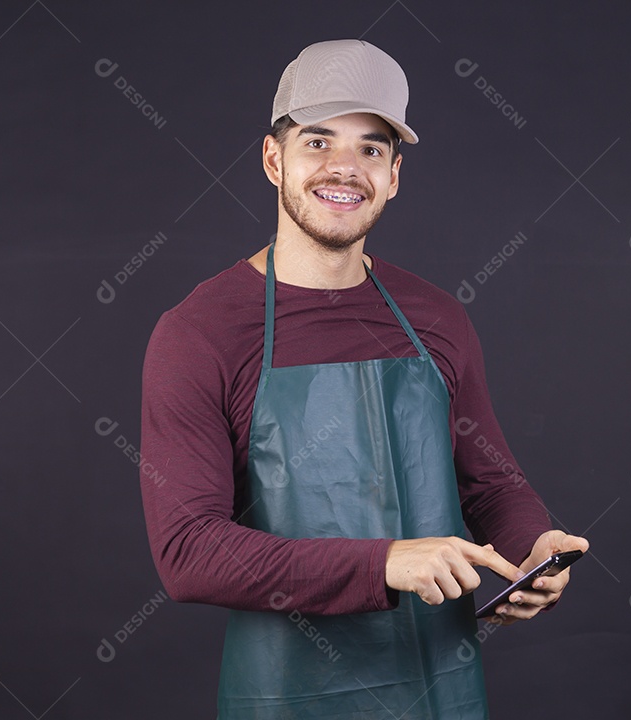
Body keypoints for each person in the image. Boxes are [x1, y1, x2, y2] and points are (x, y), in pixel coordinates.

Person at [139, 38, 589, 719]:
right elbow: (188, 551)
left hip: (440, 689)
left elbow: (491, 481)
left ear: (395, 173)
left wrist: (531, 551)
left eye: (371, 148)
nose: (344, 169)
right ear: (273, 159)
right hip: (287, 698)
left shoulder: (435, 316)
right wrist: (384, 563)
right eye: (318, 142)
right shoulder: (200, 332)